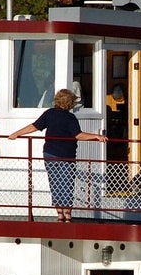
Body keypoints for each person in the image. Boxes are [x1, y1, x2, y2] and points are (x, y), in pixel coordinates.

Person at [7, 88, 104, 223]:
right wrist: (96, 136)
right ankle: (68, 215)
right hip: (66, 155)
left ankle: (59, 214)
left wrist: (16, 133)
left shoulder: (49, 114)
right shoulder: (70, 118)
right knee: (67, 183)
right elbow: (78, 135)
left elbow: (34, 126)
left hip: (50, 153)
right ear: (70, 103)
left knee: (55, 183)